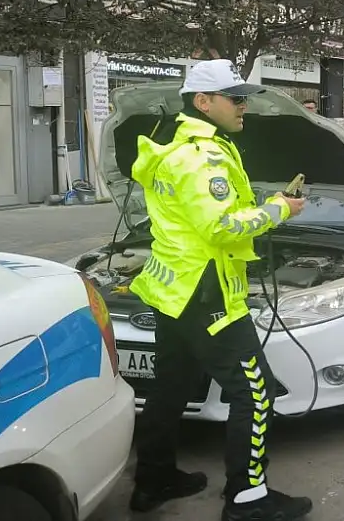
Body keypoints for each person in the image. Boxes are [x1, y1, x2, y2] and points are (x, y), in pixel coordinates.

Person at [128, 59, 311, 521]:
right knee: (255, 393)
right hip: (208, 296)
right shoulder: (203, 156)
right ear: (202, 101)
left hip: (173, 291)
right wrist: (280, 209)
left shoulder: (175, 148)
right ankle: (248, 499)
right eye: (235, 97)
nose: (243, 105)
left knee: (170, 388)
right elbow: (222, 226)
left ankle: (153, 480)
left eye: (243, 96)